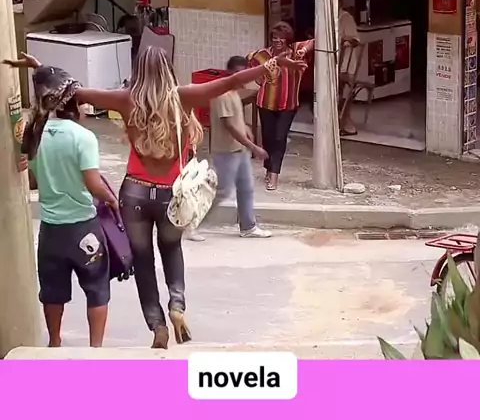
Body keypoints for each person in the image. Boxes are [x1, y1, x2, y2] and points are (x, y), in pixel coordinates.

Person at [6, 47, 306, 349]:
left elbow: (71, 91)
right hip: (170, 195)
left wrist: (40, 68)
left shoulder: (125, 99)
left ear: (138, 70)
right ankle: (177, 304)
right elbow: (231, 81)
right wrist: (272, 64)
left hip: (134, 192)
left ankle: (157, 325)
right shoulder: (184, 97)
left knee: (143, 261)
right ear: (168, 69)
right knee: (171, 248)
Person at [8, 63, 118, 348]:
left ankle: (54, 343)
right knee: (97, 288)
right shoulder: (83, 137)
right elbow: (93, 183)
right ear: (73, 102)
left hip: (50, 231)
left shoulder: (34, 134)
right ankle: (95, 348)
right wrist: (112, 200)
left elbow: (32, 175)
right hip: (83, 228)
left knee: (52, 292)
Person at [196, 55, 272, 240]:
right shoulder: (222, 94)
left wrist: (246, 128)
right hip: (226, 151)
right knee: (222, 191)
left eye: (244, 72)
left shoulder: (235, 92)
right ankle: (191, 223)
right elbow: (229, 126)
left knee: (246, 188)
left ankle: (248, 227)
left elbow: (236, 120)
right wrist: (253, 147)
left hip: (239, 150)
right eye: (237, 73)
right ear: (229, 72)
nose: (241, 77)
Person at [248, 21, 314, 191]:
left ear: (288, 39)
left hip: (289, 105)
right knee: (268, 138)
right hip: (266, 104)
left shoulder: (296, 52)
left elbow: (316, 41)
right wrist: (260, 78)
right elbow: (251, 63)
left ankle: (274, 175)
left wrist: (305, 50)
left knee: (279, 138)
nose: (278, 41)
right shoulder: (263, 54)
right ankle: (269, 168)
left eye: (281, 38)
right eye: (275, 37)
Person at [339, 3, 361, 136]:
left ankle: (347, 125)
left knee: (344, 95)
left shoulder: (346, 18)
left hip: (346, 66)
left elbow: (355, 40)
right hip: (334, 64)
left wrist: (345, 40)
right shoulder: (328, 18)